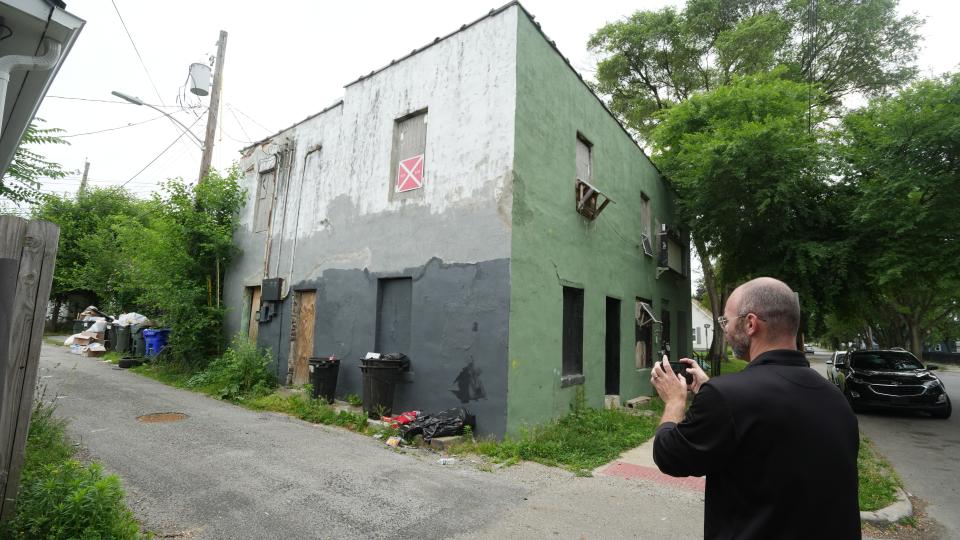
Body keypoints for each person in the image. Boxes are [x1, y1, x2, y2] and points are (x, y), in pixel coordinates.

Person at [650, 277, 860, 539]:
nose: (724, 331)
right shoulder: (835, 398)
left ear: (750, 323)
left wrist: (674, 401)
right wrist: (711, 391)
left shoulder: (728, 398)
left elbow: (669, 455)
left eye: (726, 321)